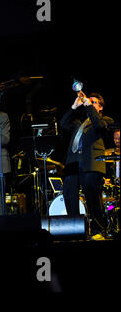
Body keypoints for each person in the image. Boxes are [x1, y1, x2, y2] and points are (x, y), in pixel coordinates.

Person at [60, 92, 114, 240]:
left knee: (92, 198)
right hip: (73, 162)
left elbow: (98, 125)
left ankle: (98, 230)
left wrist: (89, 106)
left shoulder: (105, 120)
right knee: (70, 197)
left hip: (91, 162)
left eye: (94, 102)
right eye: (88, 102)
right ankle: (74, 230)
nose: (88, 103)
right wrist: (74, 106)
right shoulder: (79, 122)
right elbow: (63, 124)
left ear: (101, 107)